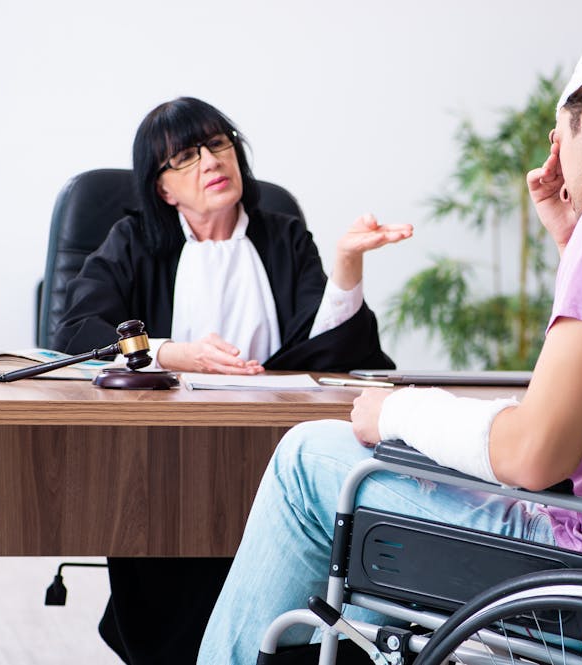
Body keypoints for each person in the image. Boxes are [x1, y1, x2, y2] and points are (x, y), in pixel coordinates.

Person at [197, 31, 582, 663]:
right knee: (386, 487)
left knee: (311, 456)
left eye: (560, 132)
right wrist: (573, 242)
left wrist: (399, 410)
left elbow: (537, 457)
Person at [53, 97, 412, 665]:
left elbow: (340, 352)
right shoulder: (134, 240)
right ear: (164, 189)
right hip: (164, 461)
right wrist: (173, 353)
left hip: (273, 445)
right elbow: (73, 332)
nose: (211, 162)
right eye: (186, 157)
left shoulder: (285, 236)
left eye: (219, 145)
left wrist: (347, 264)